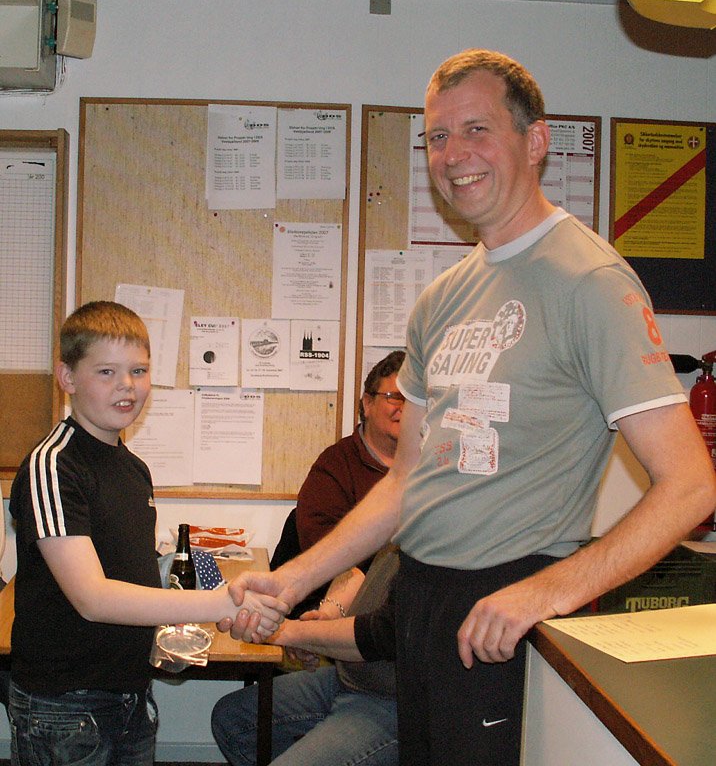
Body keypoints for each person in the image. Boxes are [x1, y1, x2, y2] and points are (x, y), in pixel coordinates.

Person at [226, 49, 716, 765]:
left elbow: (691, 485)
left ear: (536, 141)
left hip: (503, 604)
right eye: (437, 136)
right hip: (420, 598)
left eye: (477, 129)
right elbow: (405, 480)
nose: (453, 155)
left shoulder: (591, 282)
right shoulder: (442, 297)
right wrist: (290, 580)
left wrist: (544, 593)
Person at [8, 300, 287, 766]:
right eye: (107, 372)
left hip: (131, 695)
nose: (127, 385)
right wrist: (219, 602)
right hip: (65, 707)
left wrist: (175, 631)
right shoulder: (53, 465)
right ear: (67, 377)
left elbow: (132, 577)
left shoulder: (134, 469)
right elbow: (93, 598)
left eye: (138, 371)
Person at [212, 545, 399, 766]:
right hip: (349, 678)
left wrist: (286, 632)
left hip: (395, 703)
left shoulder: (434, 550)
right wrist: (325, 616)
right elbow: (357, 570)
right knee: (232, 719)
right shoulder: (400, 528)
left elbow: (380, 635)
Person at [296, 349, 405, 558]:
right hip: (356, 575)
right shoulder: (336, 465)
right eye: (395, 398)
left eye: (413, 401)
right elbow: (318, 542)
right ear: (368, 404)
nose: (404, 408)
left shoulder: (434, 465)